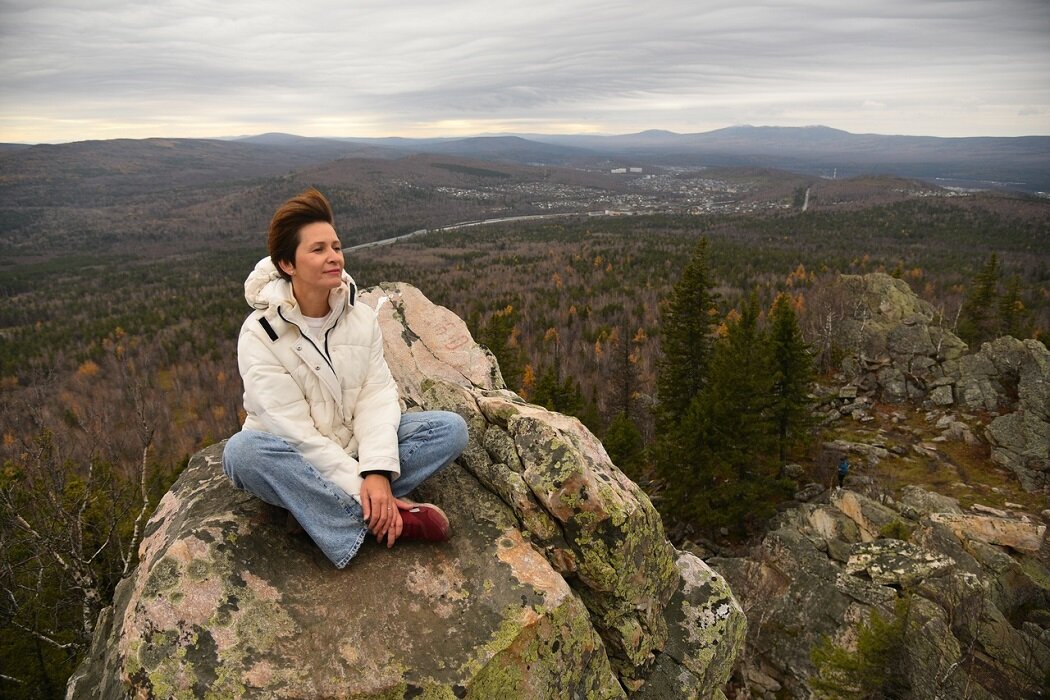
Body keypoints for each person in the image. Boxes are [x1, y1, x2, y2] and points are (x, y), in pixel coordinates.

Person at [222, 188, 468, 568]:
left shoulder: (360, 317)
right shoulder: (260, 333)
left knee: (450, 429)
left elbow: (377, 396)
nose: (334, 257)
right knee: (243, 453)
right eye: (318, 250)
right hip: (299, 458)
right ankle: (384, 518)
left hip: (354, 444)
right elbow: (293, 433)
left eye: (336, 246)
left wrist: (377, 471)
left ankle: (315, 511)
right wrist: (364, 486)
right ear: (287, 264)